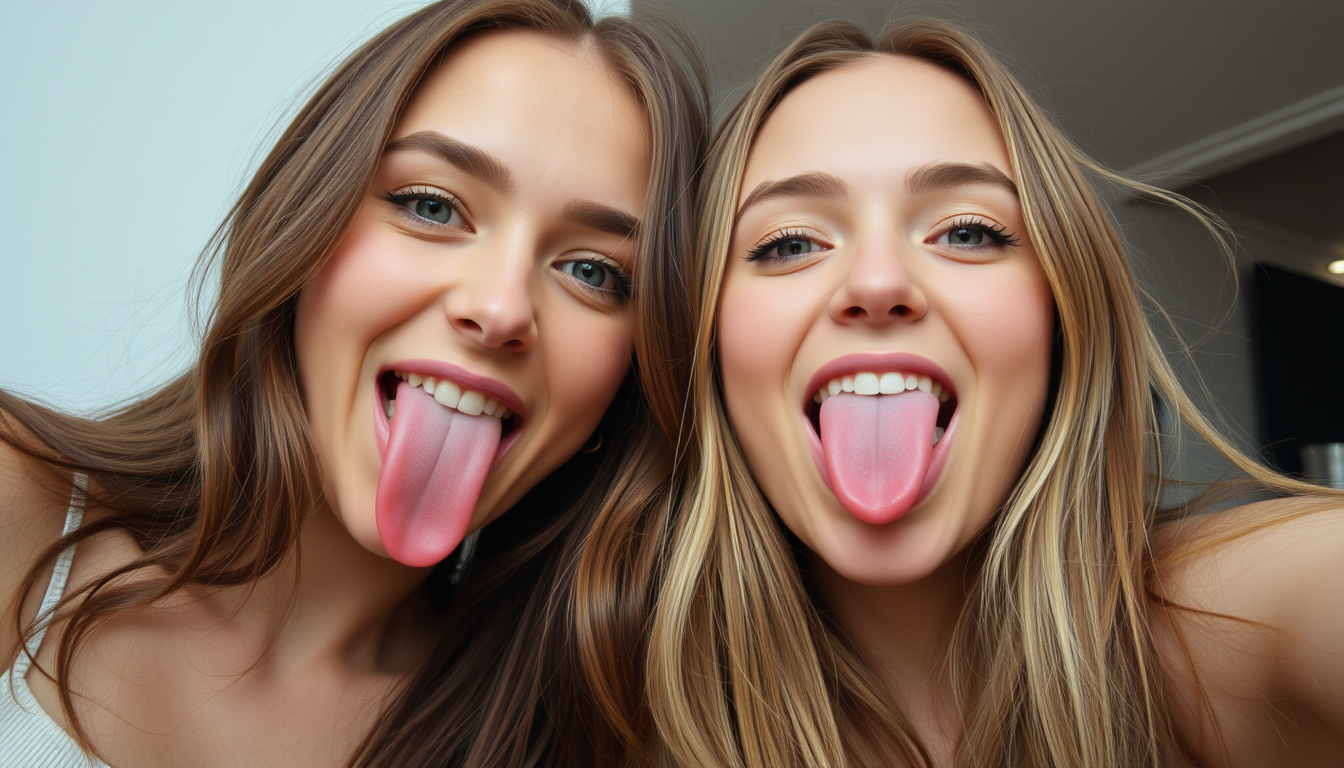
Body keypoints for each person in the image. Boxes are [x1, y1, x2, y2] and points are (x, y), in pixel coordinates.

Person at [0, 1, 706, 766]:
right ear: (304, 225)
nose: (500, 309)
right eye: (432, 207)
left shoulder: (568, 742)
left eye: (593, 272)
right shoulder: (19, 503)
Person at [640, 19, 1344, 768]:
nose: (878, 284)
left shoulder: (1224, 622)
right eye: (789, 243)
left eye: (969, 232)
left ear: (1062, 316)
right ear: (702, 341)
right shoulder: (606, 716)